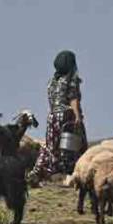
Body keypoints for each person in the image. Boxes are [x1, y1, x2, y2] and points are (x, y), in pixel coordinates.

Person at [31, 50, 84, 182]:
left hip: (52, 116)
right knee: (73, 144)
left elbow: (52, 100)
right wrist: (77, 116)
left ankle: (39, 170)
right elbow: (73, 98)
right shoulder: (71, 79)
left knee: (51, 145)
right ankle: (71, 173)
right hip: (67, 115)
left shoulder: (52, 82)